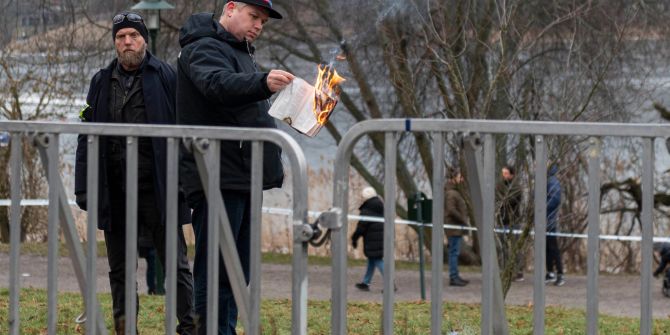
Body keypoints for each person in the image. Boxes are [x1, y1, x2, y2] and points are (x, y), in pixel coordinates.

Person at [74, 11, 195, 334]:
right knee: (120, 270)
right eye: (121, 37)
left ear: (143, 40)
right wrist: (84, 186)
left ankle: (190, 328)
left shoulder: (167, 76)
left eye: (134, 36)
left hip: (159, 188)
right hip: (114, 189)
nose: (127, 42)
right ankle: (126, 329)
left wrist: (186, 182)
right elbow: (86, 134)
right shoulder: (100, 81)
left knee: (176, 265)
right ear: (115, 42)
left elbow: (185, 131)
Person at [176, 1, 293, 333]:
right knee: (216, 269)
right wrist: (262, 82)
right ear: (230, 8)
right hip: (216, 175)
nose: (258, 25)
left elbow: (246, 108)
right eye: (254, 16)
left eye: (264, 22)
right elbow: (217, 85)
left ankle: (222, 330)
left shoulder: (241, 52)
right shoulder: (202, 48)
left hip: (243, 174)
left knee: (238, 270)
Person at [351, 187, 385, 291]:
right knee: (372, 259)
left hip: (372, 239)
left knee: (377, 260)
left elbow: (361, 227)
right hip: (380, 237)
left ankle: (390, 283)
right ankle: (366, 283)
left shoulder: (367, 209)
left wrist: (354, 238)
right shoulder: (380, 205)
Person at [497, 165, 524, 281]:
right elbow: (497, 199)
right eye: (502, 173)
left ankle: (518, 271)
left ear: (512, 175)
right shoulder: (499, 186)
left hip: (513, 222)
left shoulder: (517, 187)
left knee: (515, 247)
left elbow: (508, 200)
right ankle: (505, 270)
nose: (504, 176)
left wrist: (501, 198)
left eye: (506, 174)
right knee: (502, 247)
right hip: (502, 221)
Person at [445, 168, 469, 287]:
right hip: (453, 227)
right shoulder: (451, 193)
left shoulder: (454, 191)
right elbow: (451, 210)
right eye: (460, 177)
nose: (462, 179)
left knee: (454, 252)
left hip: (455, 227)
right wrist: (463, 219)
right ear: (454, 178)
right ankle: (453, 277)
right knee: (454, 252)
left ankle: (455, 275)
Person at [545, 163, 565, 286]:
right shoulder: (545, 180)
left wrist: (541, 207)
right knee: (546, 248)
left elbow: (555, 200)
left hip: (549, 220)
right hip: (543, 221)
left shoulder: (552, 181)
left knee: (553, 248)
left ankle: (560, 274)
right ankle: (550, 272)